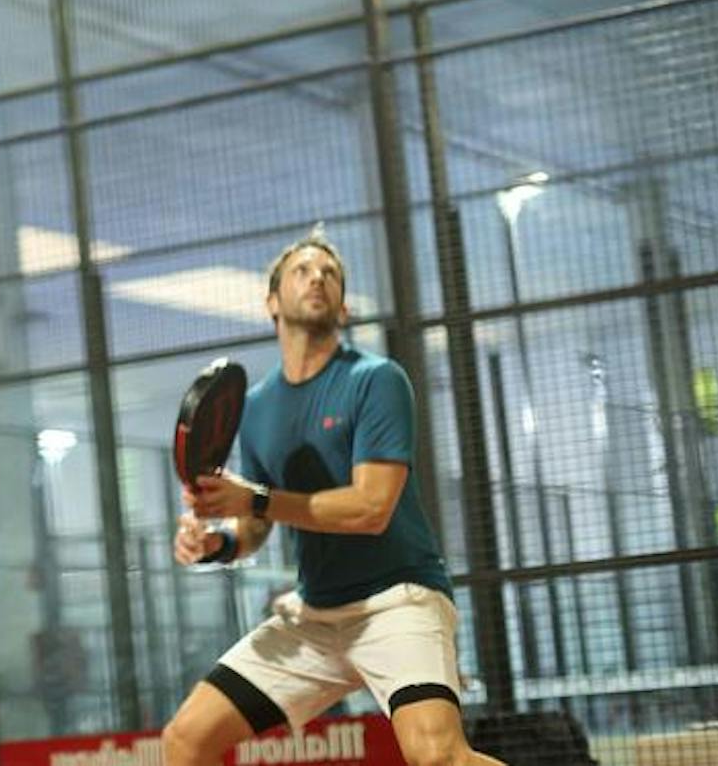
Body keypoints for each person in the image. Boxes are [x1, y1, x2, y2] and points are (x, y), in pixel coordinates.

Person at [162, 229, 506, 766]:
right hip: (314, 616)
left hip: (397, 600)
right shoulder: (252, 409)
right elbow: (255, 528)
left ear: (343, 309)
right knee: (185, 740)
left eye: (329, 274)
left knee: (439, 757)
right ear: (272, 302)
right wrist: (216, 542)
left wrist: (252, 499)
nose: (317, 277)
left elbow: (371, 509)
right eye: (302, 271)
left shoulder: (377, 380)